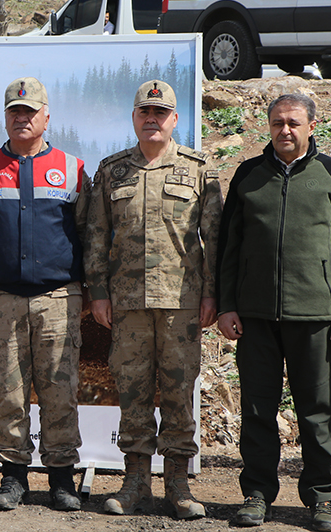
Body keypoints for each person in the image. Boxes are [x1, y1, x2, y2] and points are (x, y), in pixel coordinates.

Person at [0, 77, 89, 512]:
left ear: (46, 116)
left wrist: (95, 292)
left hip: (58, 299)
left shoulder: (74, 169)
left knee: (60, 391)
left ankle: (62, 478)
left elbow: (92, 238)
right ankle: (12, 476)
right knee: (7, 390)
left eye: (30, 111)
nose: (21, 117)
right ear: (5, 117)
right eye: (14, 111)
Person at [218, 93, 331, 532]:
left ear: (311, 126)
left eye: (293, 123)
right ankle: (257, 494)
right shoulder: (248, 175)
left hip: (315, 316)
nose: (285, 130)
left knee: (316, 411)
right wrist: (226, 305)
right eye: (277, 122)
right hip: (256, 316)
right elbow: (229, 246)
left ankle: (322, 498)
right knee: (258, 410)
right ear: (269, 125)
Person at [84, 79, 222, 520]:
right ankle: (135, 483)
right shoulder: (112, 171)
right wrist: (99, 294)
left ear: (174, 119)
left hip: (182, 303)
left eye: (160, 113)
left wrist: (212, 293)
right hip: (128, 306)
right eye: (145, 112)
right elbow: (95, 238)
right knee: (133, 393)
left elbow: (215, 241)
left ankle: (178, 485)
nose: (152, 119)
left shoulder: (199, 170)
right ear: (134, 118)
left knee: (180, 394)